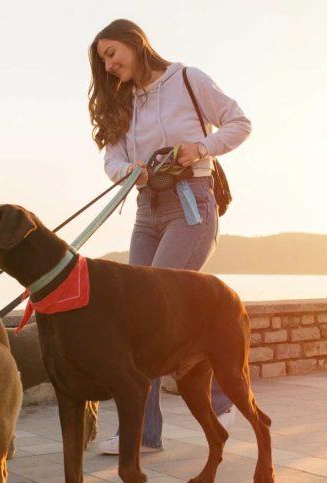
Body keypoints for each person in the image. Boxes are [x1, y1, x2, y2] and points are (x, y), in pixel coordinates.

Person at [88, 19, 252, 454]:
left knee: (152, 313)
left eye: (111, 54)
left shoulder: (188, 79)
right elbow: (113, 158)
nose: (108, 66)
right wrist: (128, 170)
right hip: (147, 210)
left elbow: (239, 122)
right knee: (134, 317)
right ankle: (144, 433)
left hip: (192, 206)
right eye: (102, 61)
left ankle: (216, 398)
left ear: (135, 43)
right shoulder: (124, 102)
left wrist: (202, 148)